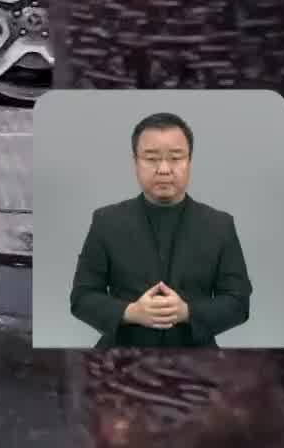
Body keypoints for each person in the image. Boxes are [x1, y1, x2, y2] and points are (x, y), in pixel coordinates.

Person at [69, 112, 252, 347]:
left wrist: (187, 312)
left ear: (190, 161)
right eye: (152, 158)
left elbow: (238, 303)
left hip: (198, 361)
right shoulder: (106, 221)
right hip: (120, 358)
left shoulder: (220, 225)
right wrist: (131, 312)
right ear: (135, 161)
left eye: (176, 158)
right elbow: (81, 298)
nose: (164, 169)